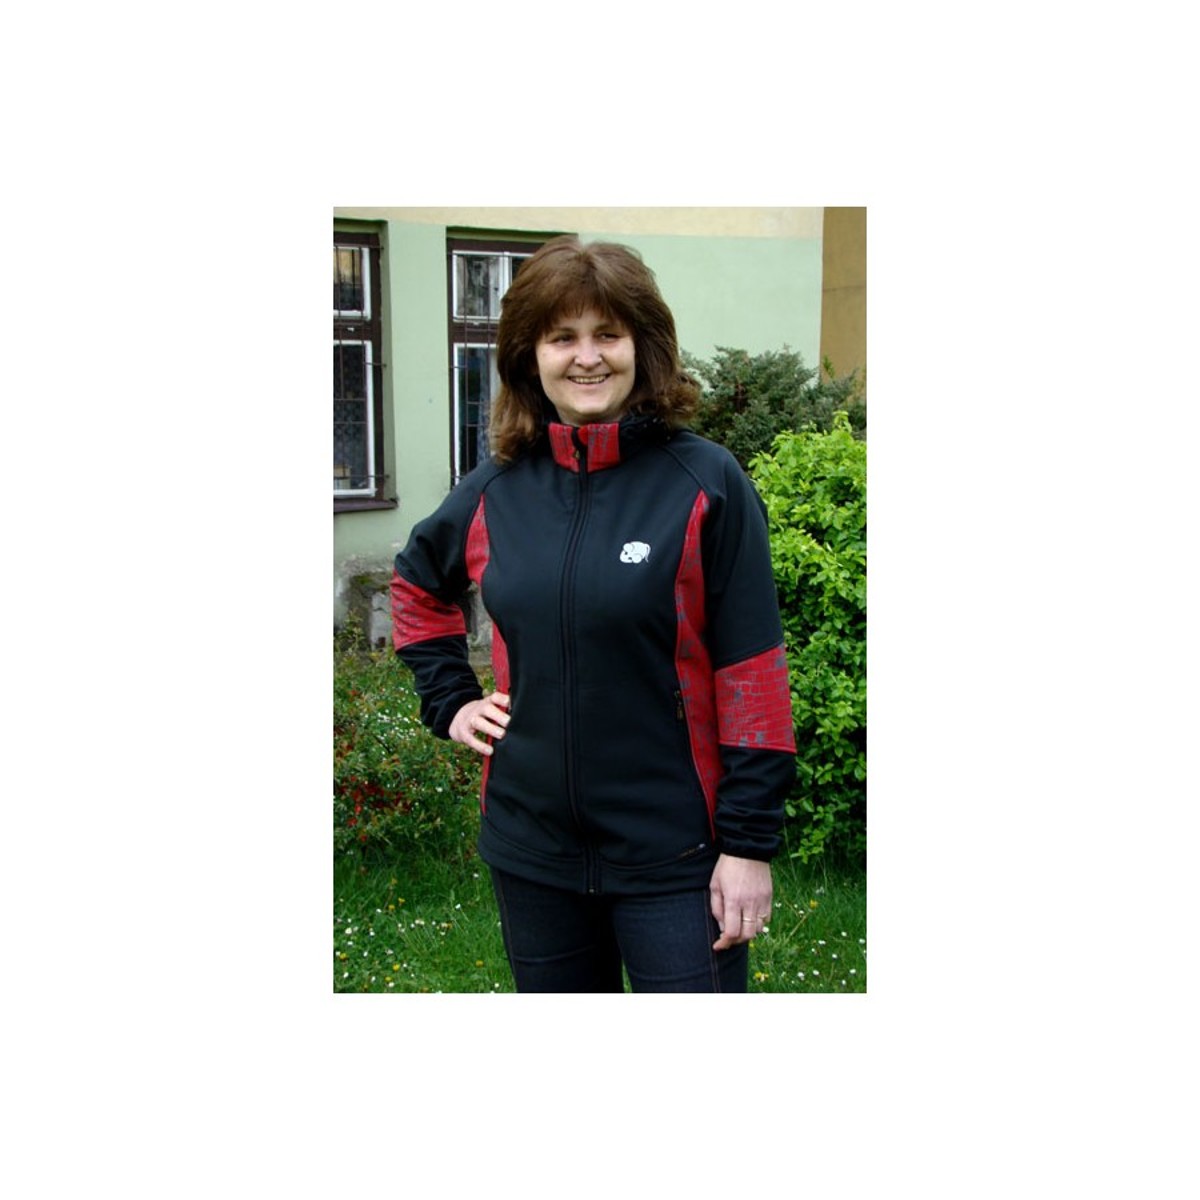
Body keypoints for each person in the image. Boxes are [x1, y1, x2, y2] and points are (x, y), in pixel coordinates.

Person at [391, 235, 796, 992]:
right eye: (562, 337)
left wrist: (747, 846)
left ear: (643, 346)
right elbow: (416, 585)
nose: (587, 357)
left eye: (607, 334)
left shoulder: (705, 483)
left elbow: (753, 676)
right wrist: (450, 701)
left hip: (677, 855)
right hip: (531, 852)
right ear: (530, 356)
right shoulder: (496, 489)